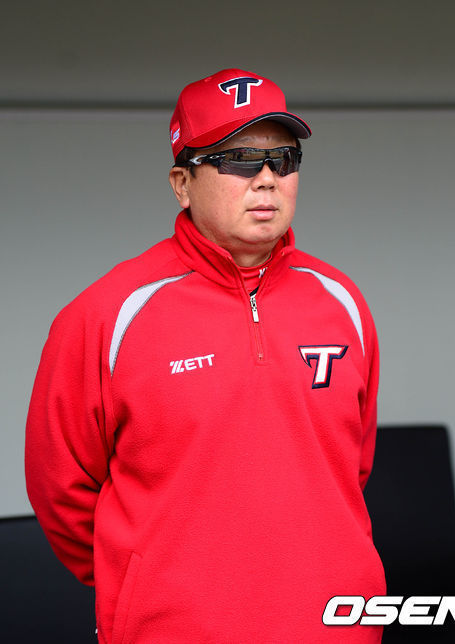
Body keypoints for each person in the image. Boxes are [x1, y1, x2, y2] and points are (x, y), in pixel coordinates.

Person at [25, 68, 385, 643]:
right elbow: (60, 491)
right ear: (182, 183)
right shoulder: (107, 314)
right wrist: (145, 584)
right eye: (239, 160)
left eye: (283, 160)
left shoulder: (342, 302)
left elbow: (351, 469)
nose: (266, 179)